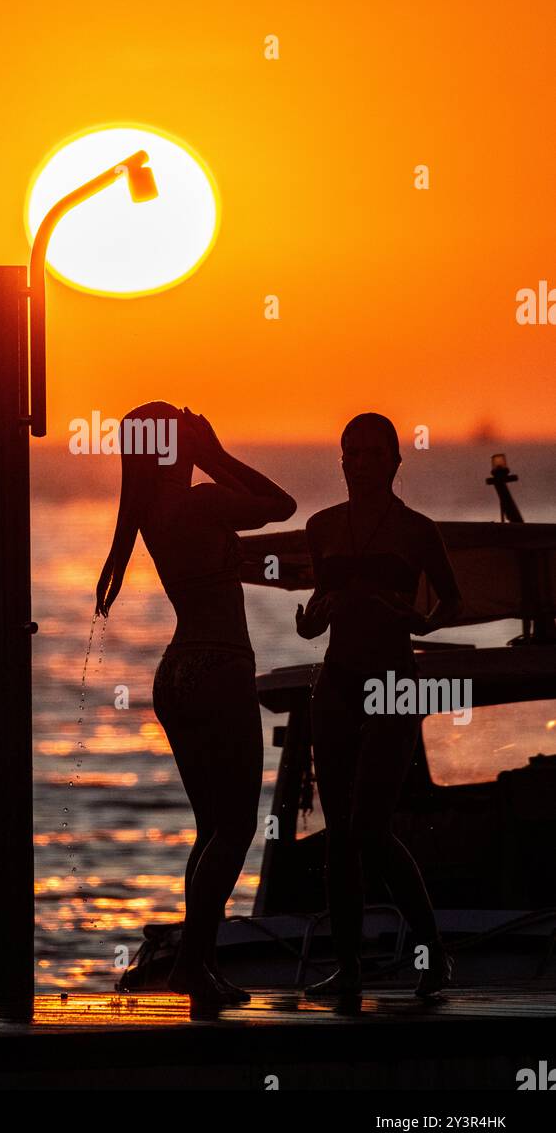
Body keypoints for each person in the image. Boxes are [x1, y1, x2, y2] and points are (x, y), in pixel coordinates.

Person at [96, 402, 296, 1013]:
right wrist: (216, 453)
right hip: (219, 666)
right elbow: (280, 505)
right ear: (174, 447)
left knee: (211, 830)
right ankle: (191, 962)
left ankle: (199, 965)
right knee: (236, 829)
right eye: (185, 435)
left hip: (176, 673)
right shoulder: (202, 501)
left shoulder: (152, 513)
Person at [296, 412, 462, 998]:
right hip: (337, 682)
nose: (361, 463)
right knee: (339, 833)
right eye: (352, 453)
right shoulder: (321, 527)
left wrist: (419, 620)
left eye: (373, 453)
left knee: (371, 827)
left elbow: (452, 602)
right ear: (341, 460)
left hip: (394, 683)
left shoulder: (418, 530)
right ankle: (349, 968)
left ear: (396, 461)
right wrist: (308, 619)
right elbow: (318, 609)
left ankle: (433, 953)